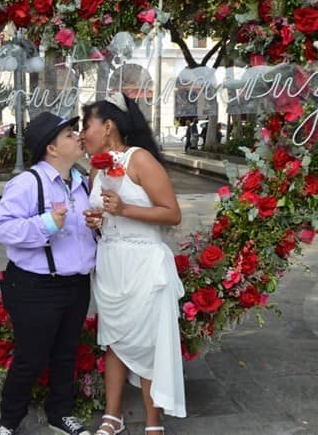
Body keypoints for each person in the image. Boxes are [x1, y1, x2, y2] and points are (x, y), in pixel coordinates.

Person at [81, 93, 186, 435]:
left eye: (87, 125)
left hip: (143, 262)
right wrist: (98, 222)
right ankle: (113, 416)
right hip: (111, 261)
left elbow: (172, 213)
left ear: (107, 126)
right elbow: (108, 217)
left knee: (147, 342)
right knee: (114, 339)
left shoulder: (139, 160)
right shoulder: (95, 171)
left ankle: (153, 421)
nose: (82, 133)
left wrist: (125, 209)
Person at [0, 111, 96, 435]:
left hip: (76, 285)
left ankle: (59, 414)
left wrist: (99, 226)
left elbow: (84, 235)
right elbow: (1, 229)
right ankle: (9, 421)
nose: (77, 137)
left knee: (66, 353)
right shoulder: (26, 183)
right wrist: (47, 224)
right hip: (35, 286)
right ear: (51, 148)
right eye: (68, 134)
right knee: (31, 357)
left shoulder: (82, 183)